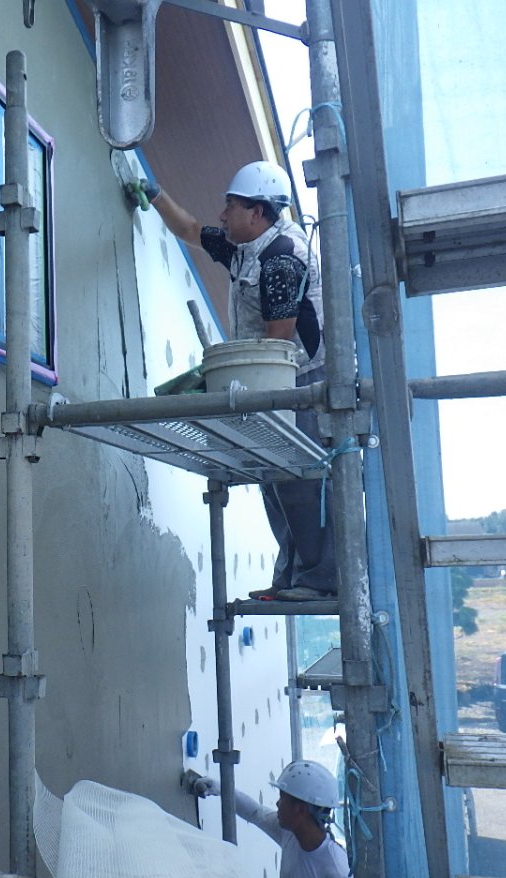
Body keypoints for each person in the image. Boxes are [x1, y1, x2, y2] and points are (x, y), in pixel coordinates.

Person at [131, 161, 335, 601]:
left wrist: (225, 378)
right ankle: (291, 579)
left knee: (301, 481)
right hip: (271, 374)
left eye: (231, 206)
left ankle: (321, 581)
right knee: (274, 481)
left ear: (257, 212)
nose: (223, 215)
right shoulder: (246, 246)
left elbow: (277, 343)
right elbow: (191, 230)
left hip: (299, 380)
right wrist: (155, 193)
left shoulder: (281, 258)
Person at [185, 760, 353, 878]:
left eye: (282, 797)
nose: (278, 803)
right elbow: (256, 813)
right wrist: (218, 788)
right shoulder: (291, 835)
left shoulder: (338, 872)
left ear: (301, 809)